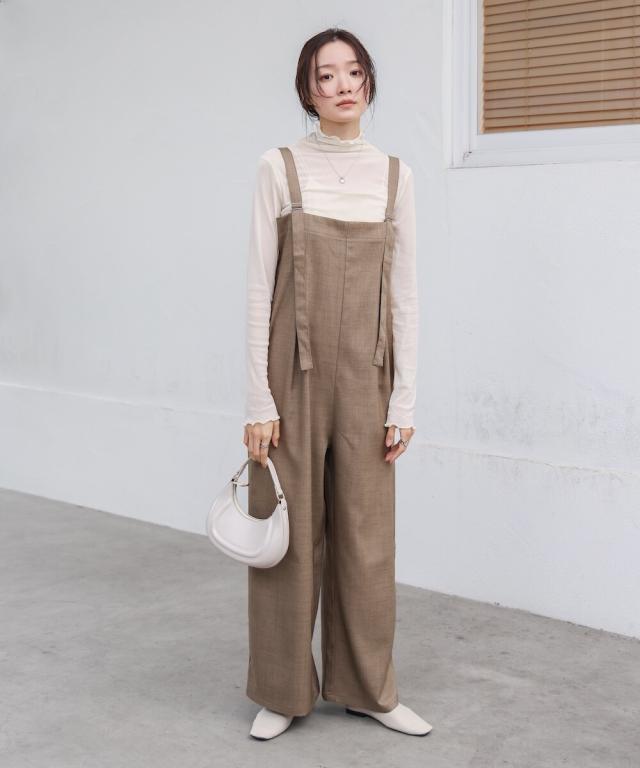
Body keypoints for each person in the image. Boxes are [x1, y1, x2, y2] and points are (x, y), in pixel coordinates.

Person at [242, 27, 431, 740]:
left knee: (366, 538)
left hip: (368, 377)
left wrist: (404, 398)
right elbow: (257, 289)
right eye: (326, 76)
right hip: (289, 376)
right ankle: (282, 690)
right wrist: (258, 399)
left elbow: (405, 295)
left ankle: (368, 689)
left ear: (369, 81)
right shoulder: (279, 168)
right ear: (308, 89)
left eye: (354, 72)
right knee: (288, 535)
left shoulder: (395, 176)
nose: (343, 85)